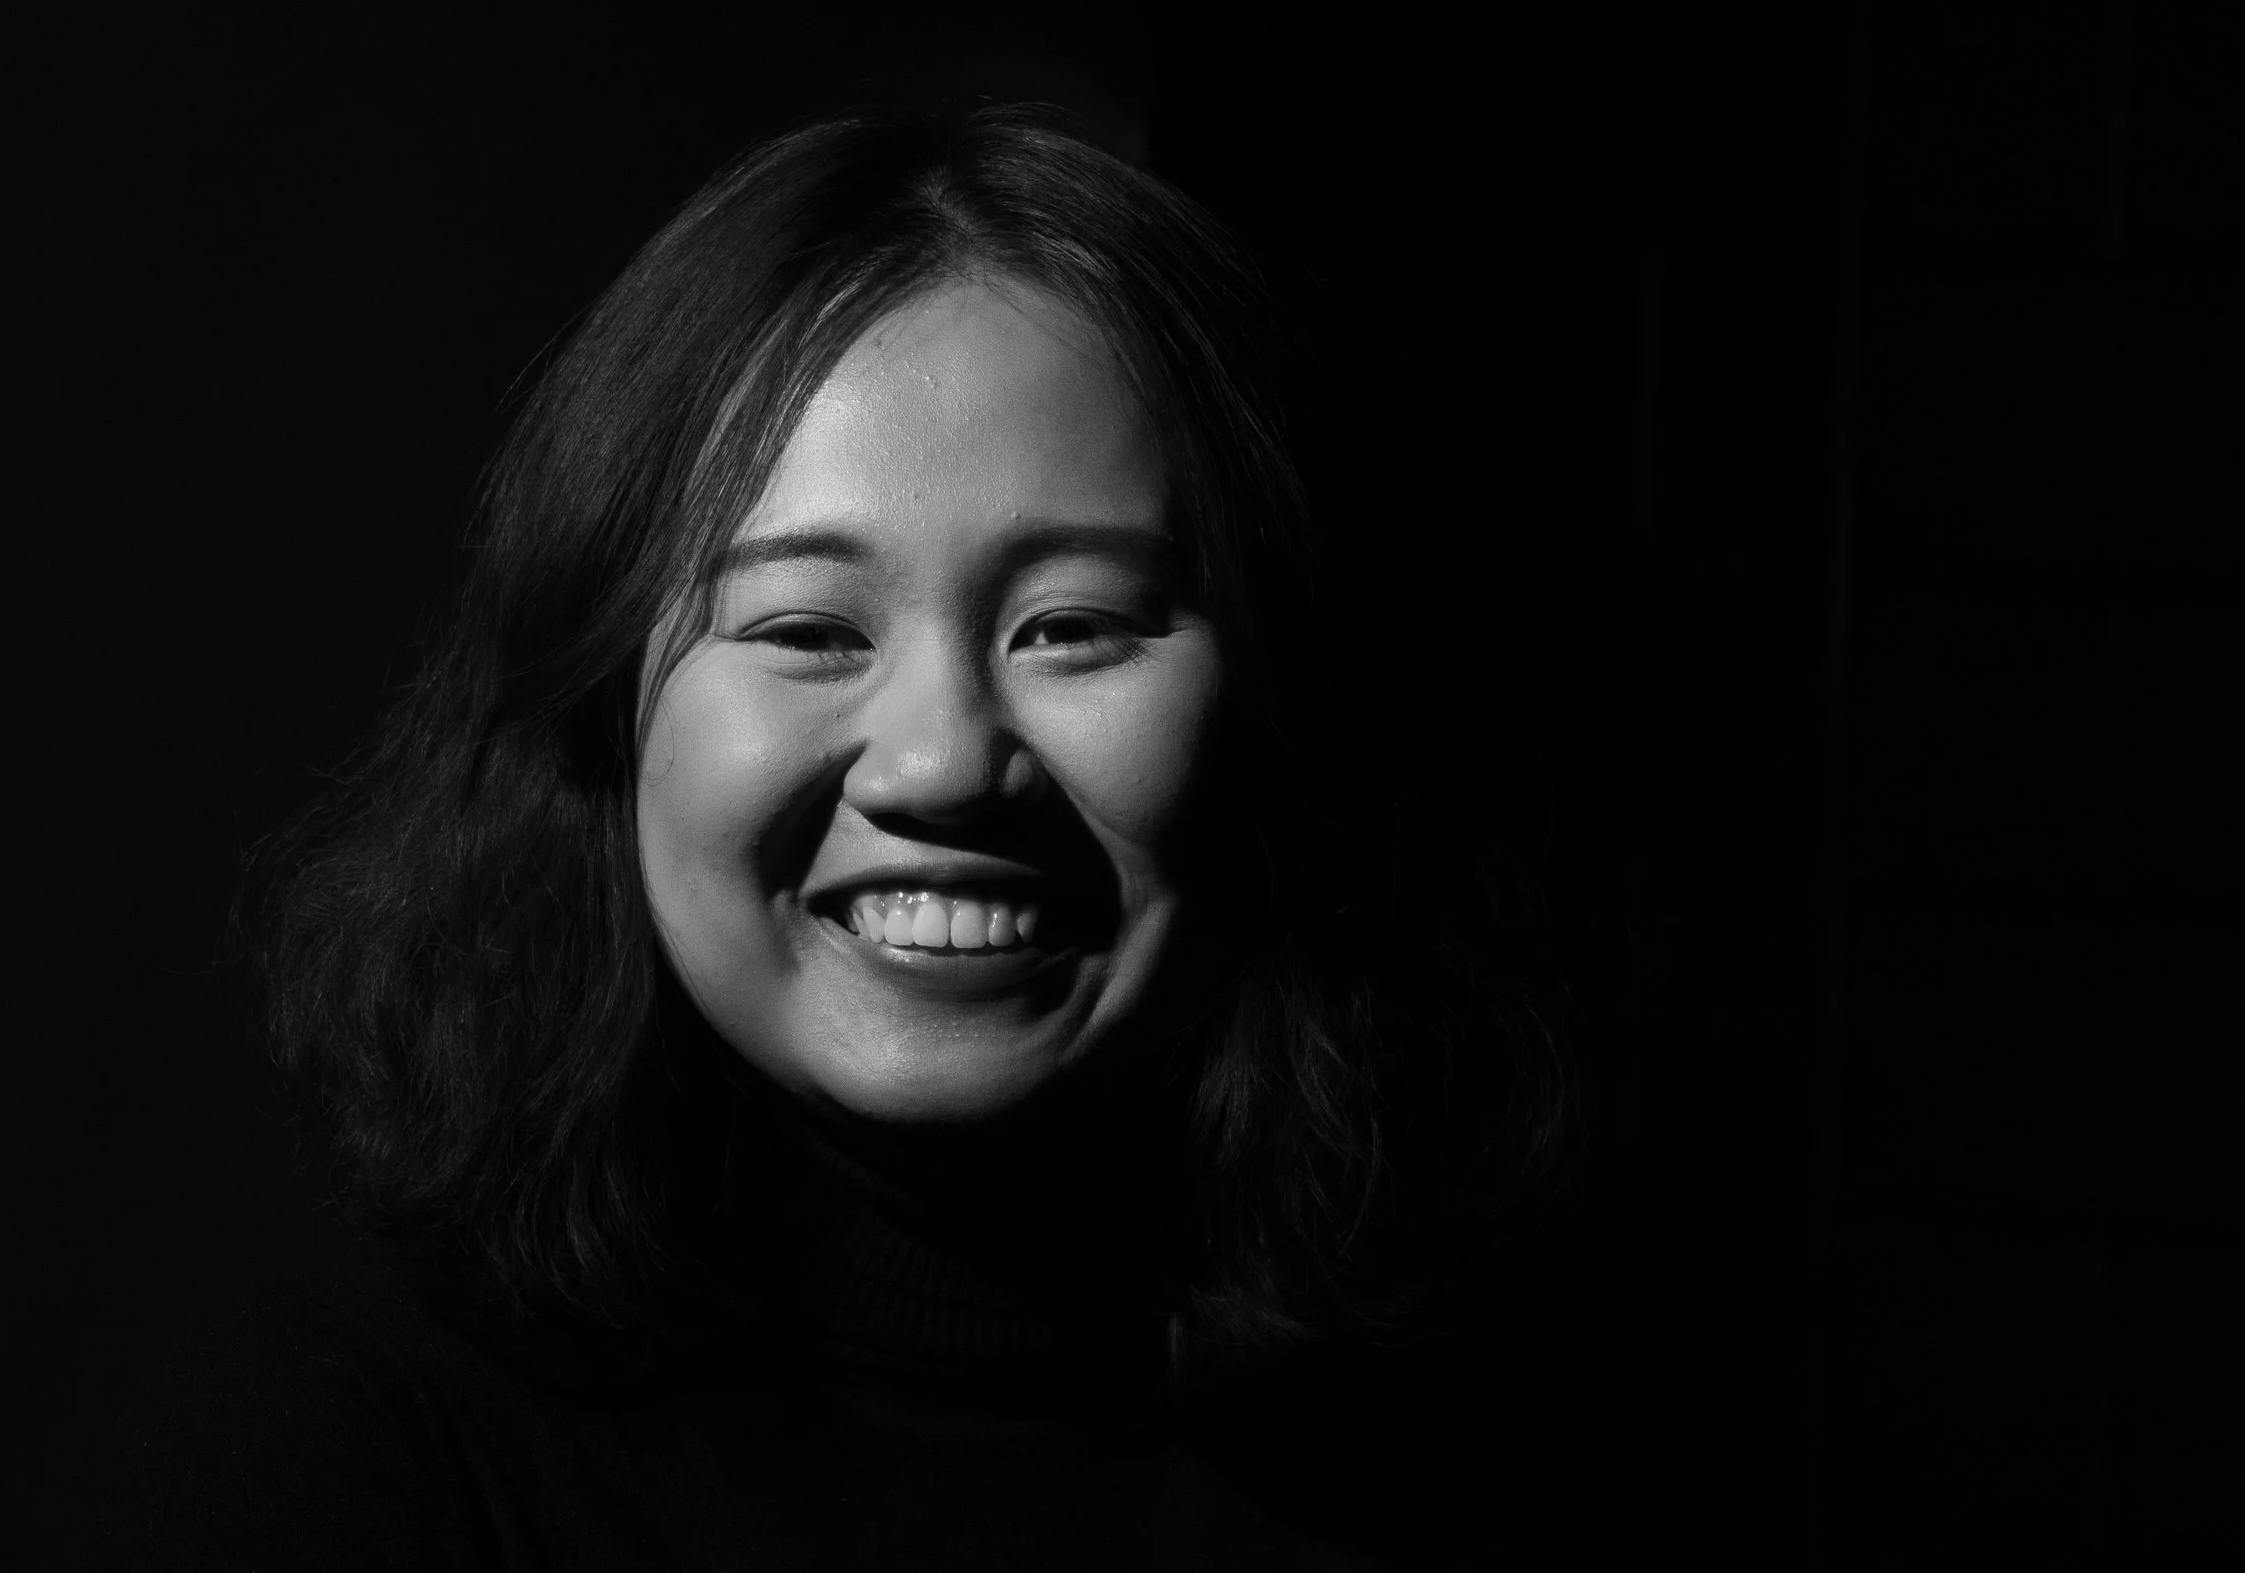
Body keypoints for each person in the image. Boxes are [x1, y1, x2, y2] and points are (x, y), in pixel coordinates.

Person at [89, 106, 1571, 1571]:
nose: (941, 761)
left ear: (1273, 700)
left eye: (1072, 626)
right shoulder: (360, 1458)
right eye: (806, 628)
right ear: (608, 711)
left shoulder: (1478, 1467)